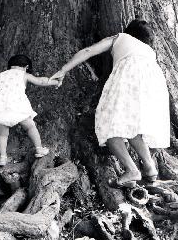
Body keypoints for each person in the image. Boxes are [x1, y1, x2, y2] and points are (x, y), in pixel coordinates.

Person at [50, 20, 170, 188]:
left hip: (129, 79)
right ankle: (150, 168)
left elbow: (88, 50)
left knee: (109, 126)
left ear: (129, 32)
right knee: (133, 127)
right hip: (153, 86)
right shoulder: (149, 51)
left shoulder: (121, 37)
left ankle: (132, 170)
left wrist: (63, 70)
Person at [0, 54, 60, 166]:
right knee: (30, 127)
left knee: (2, 135)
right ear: (27, 66)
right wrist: (56, 82)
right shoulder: (24, 74)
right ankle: (39, 149)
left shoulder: (2, 75)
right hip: (18, 107)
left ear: (10, 66)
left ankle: (2, 157)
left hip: (0, 108)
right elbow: (41, 81)